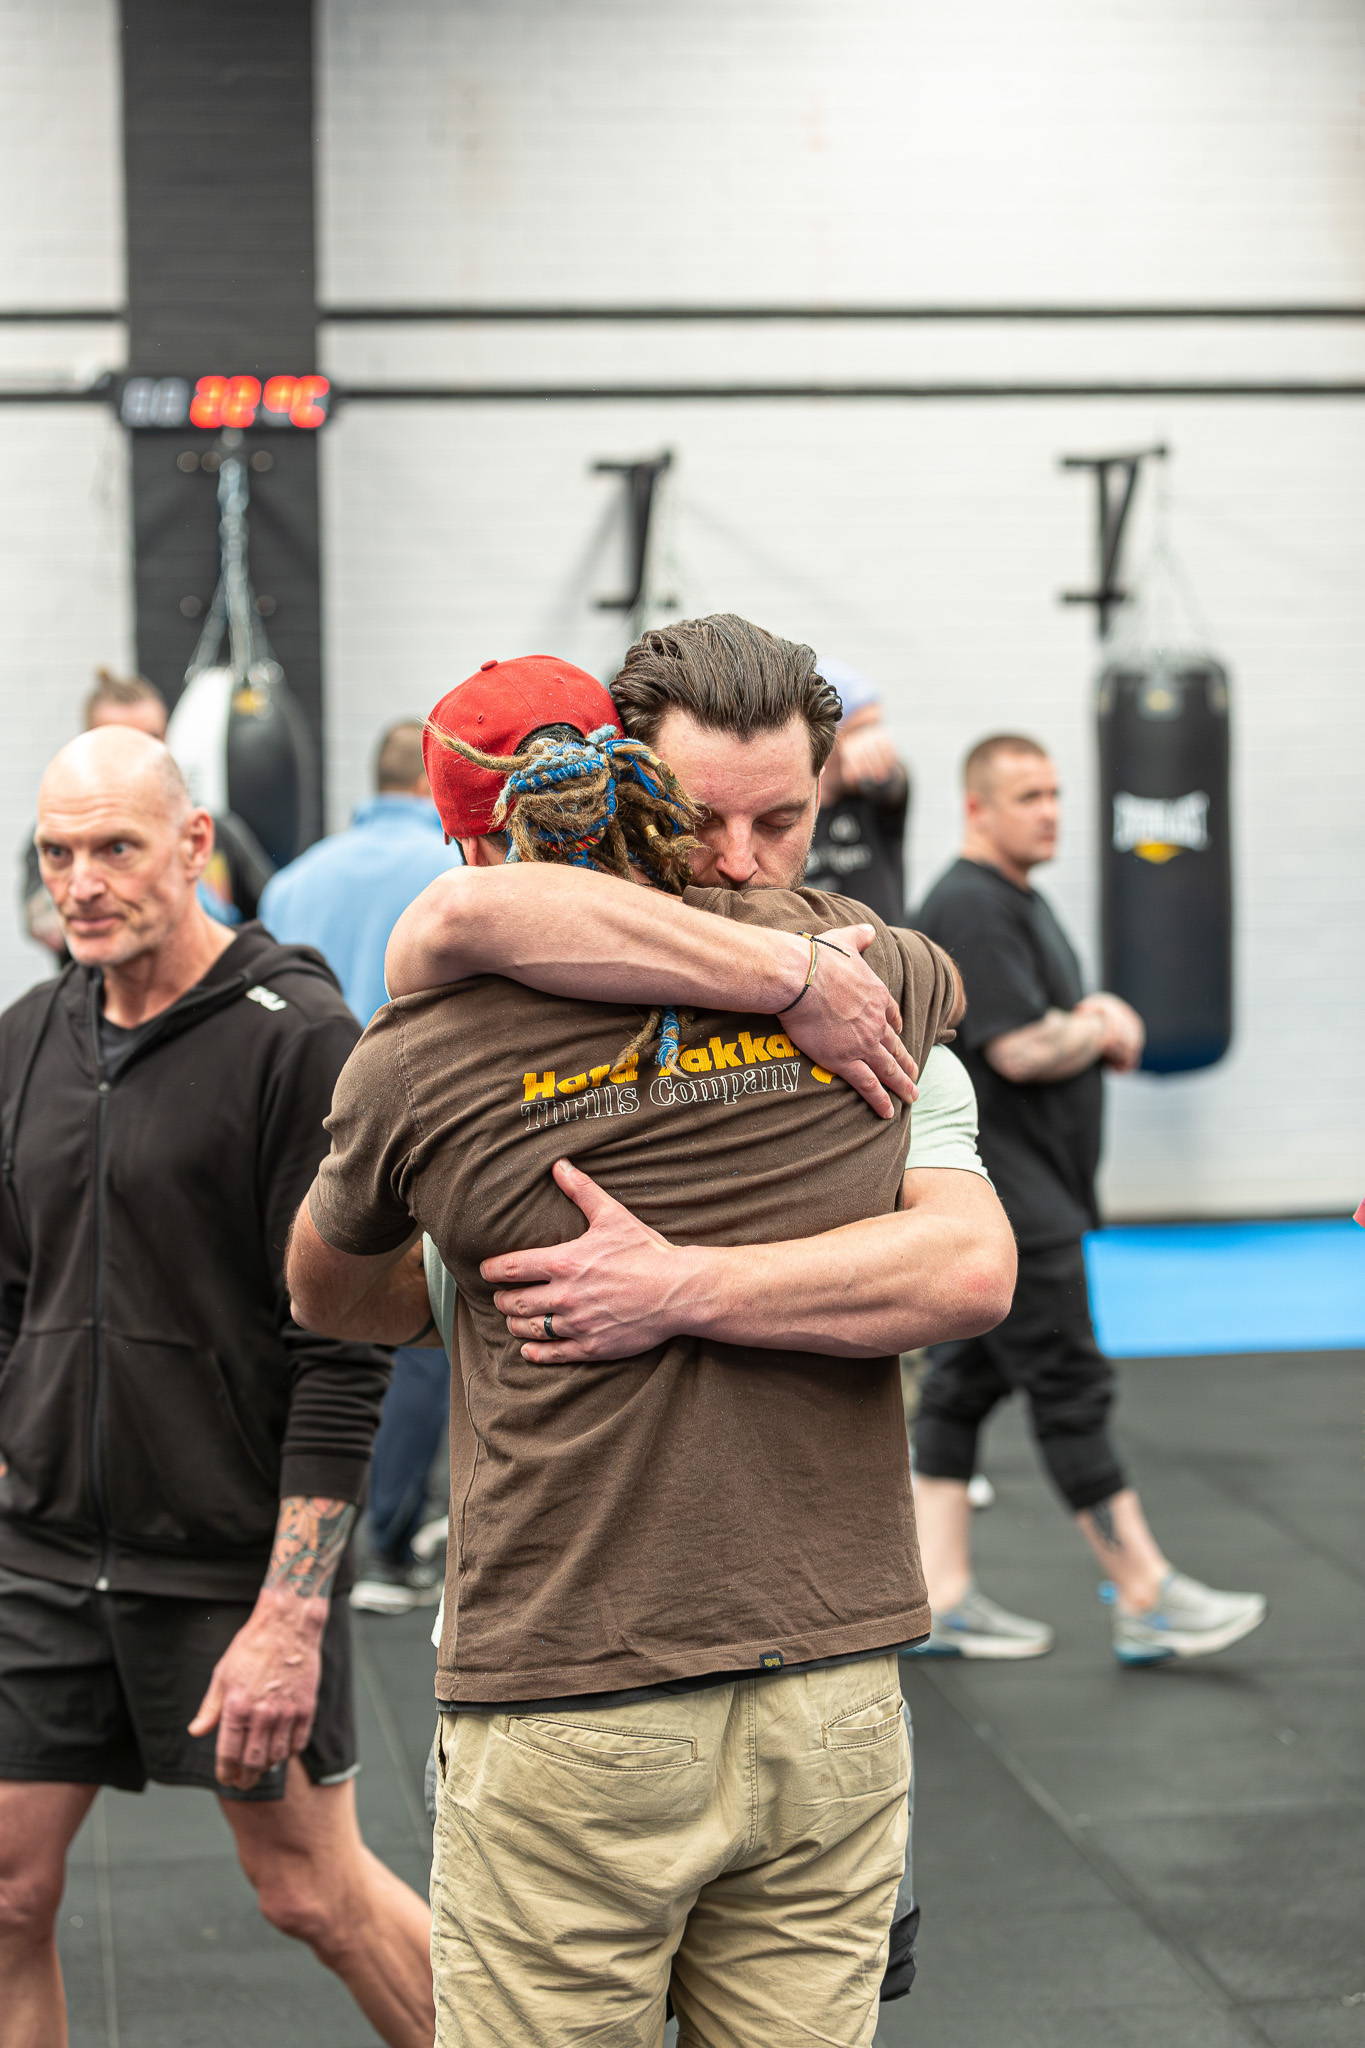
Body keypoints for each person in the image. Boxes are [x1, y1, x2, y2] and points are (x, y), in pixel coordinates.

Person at [287, 638, 1016, 2047]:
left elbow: (328, 1293)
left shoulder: (433, 1047)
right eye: (705, 820)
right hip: (787, 1687)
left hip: (612, 1692)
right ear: (633, 791)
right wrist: (786, 981)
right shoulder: (884, 981)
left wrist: (674, 1285)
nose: (740, 864)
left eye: (782, 819)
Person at [0, 728, 433, 2048]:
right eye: (57, 853)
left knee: (311, 1894)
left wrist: (290, 1614)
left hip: (228, 1564)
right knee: (5, 1893)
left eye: (115, 847)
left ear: (194, 845)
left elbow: (342, 1350)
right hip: (45, 1556)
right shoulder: (27, 1039)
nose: (81, 882)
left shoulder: (296, 1043)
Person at [910, 733, 1267, 1664]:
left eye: (1056, 794)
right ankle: (1144, 1593)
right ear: (977, 807)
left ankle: (937, 1595)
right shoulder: (971, 905)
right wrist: (1097, 1022)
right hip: (1016, 1207)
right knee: (1069, 1386)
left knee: (961, 1388)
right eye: (1027, 797)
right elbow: (1018, 1048)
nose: (1051, 813)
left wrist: (1083, 1024)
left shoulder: (1012, 900)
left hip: (1024, 1191)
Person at [260, 718, 463, 1614]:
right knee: (419, 1334)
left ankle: (317, 1534)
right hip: (416, 1132)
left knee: (310, 1325)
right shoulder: (461, 879)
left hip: (305, 1130)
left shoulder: (295, 879)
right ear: (433, 787)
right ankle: (383, 1542)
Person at [21, 669, 273, 956]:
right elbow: (42, 921)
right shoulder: (60, 836)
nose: (140, 752)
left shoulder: (213, 833)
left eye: (152, 737)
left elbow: (275, 911)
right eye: (122, 741)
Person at [805, 658, 910, 923]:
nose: (875, 740)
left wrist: (883, 772)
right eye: (861, 729)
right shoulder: (791, 808)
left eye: (877, 726)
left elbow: (894, 788)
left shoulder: (874, 801)